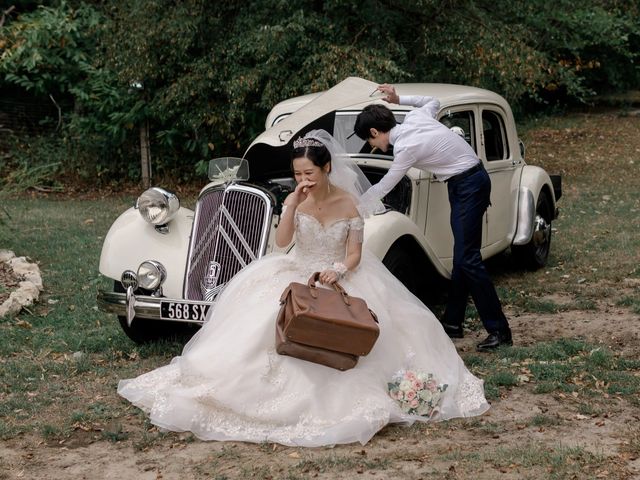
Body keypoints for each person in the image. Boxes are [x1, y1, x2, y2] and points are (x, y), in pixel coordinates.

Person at [118, 130, 489, 447]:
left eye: (309, 172)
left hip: (339, 275)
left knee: (367, 332)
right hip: (297, 271)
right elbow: (281, 242)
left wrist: (339, 270)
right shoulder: (298, 197)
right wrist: (293, 204)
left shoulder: (349, 203)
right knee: (262, 324)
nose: (303, 179)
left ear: (327, 168)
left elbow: (356, 253)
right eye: (297, 173)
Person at [354, 84, 513, 351]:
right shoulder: (415, 117)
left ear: (374, 132)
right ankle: (452, 323)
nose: (373, 147)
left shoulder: (405, 147)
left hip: (468, 185)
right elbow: (432, 101)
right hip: (465, 182)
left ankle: (500, 330)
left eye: (370, 141)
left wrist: (356, 204)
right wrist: (398, 98)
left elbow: (386, 185)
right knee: (462, 256)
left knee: (469, 260)